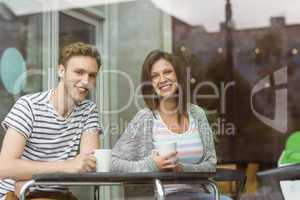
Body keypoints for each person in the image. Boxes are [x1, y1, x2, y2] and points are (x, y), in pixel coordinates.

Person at [112, 50, 231, 200]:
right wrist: (152, 164)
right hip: (161, 196)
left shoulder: (197, 114)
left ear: (178, 77)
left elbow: (211, 164)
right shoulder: (145, 118)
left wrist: (182, 168)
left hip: (201, 195)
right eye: (155, 76)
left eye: (167, 72)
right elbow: (114, 163)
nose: (162, 79)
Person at [0, 42, 103, 200]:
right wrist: (67, 166)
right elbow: (4, 167)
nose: (85, 80)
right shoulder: (29, 106)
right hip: (17, 193)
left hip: (56, 194)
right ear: (61, 70)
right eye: (79, 72)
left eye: (92, 75)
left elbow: (88, 164)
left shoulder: (88, 110)